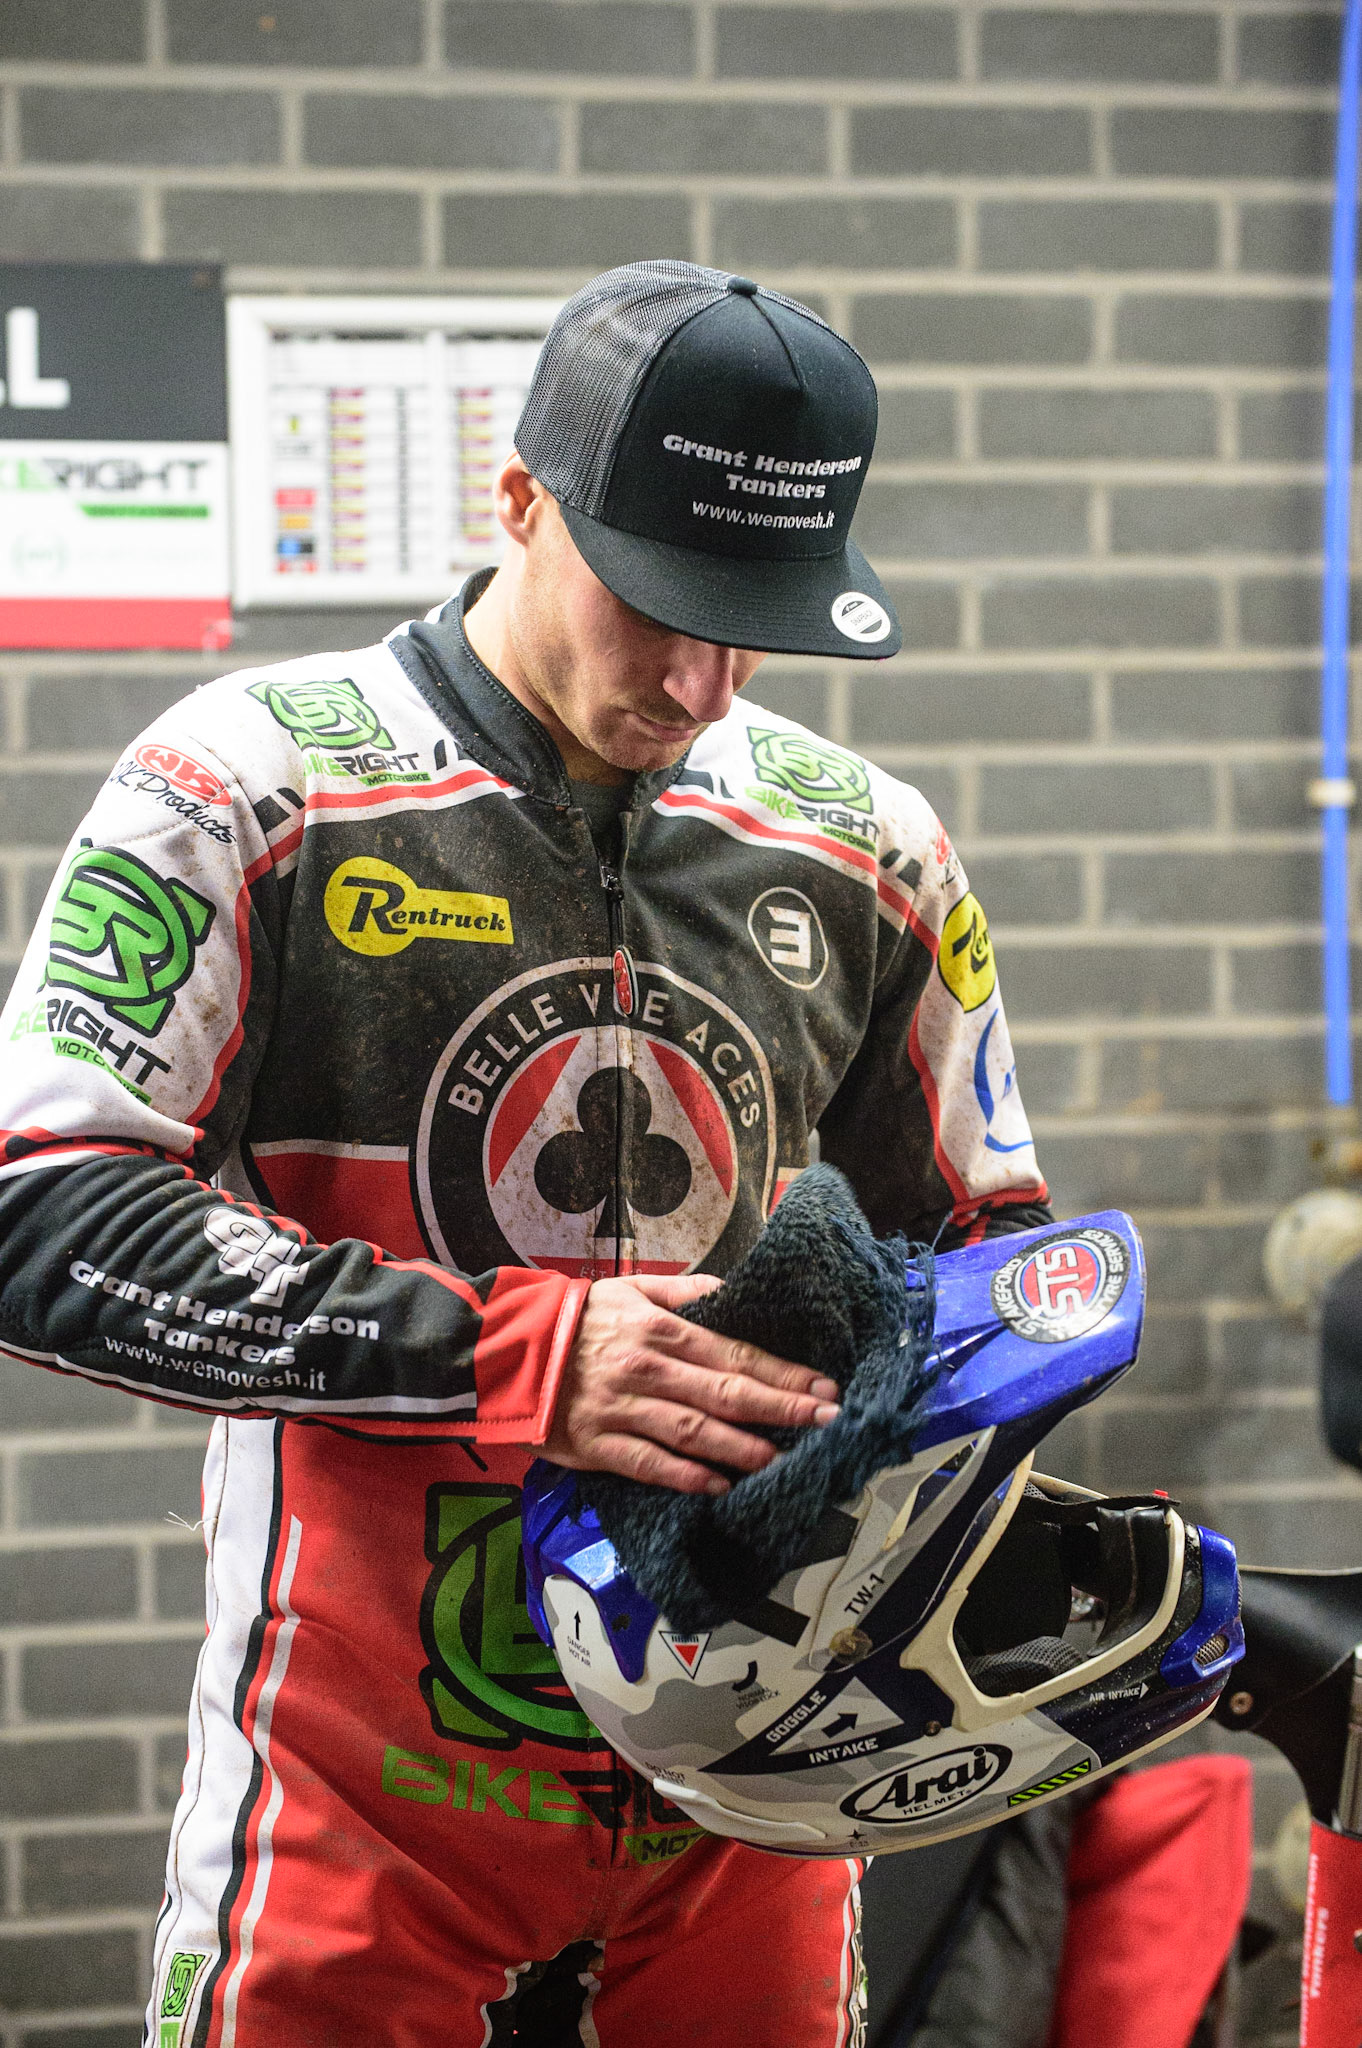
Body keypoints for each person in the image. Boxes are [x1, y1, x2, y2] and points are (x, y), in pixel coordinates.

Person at [0, 262, 1050, 2048]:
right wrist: (518, 1360)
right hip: (363, 1769)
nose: (704, 680)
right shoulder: (249, 783)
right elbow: (35, 1220)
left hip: (756, 1778)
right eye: (659, 605)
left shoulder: (866, 847)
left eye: (759, 621)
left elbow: (989, 1257)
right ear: (516, 503)